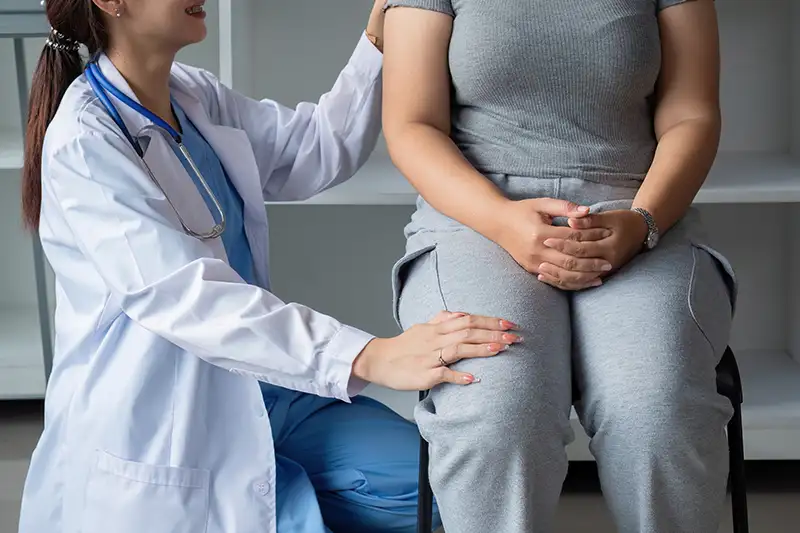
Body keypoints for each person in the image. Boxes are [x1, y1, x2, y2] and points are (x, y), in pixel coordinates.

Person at [17, 1, 523, 532]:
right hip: (166, 420)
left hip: (265, 388)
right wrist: (371, 356)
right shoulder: (84, 141)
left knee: (440, 485)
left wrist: (377, 42)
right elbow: (188, 297)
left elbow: (311, 150)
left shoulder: (191, 94)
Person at [382, 1, 737, 532]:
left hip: (636, 211)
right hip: (476, 216)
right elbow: (412, 123)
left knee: (655, 408)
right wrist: (502, 221)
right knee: (497, 410)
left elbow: (692, 113)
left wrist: (642, 222)